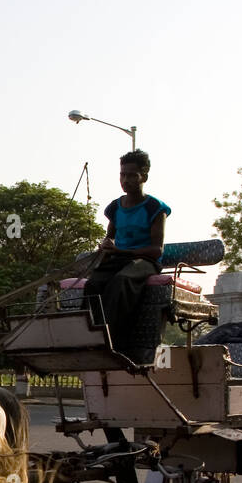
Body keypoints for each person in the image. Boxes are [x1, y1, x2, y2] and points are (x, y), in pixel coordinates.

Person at [82, 149, 169, 358]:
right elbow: (110, 236)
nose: (126, 180)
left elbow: (157, 249)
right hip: (118, 259)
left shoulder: (155, 208)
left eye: (132, 175)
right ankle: (87, 337)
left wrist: (123, 250)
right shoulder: (115, 207)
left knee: (121, 281)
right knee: (92, 284)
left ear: (144, 177)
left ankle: (112, 341)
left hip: (145, 261)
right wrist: (106, 245)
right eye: (122, 175)